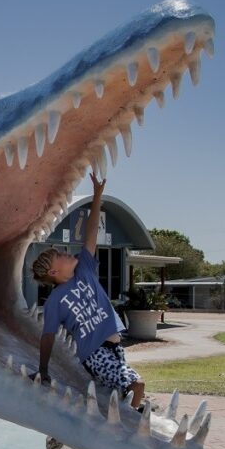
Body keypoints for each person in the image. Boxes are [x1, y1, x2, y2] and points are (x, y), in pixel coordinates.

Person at [30, 174, 145, 409]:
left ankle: (124, 419)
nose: (65, 252)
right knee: (137, 386)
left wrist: (98, 196)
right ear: (53, 272)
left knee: (121, 397)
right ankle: (129, 431)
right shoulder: (55, 300)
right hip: (95, 354)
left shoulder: (85, 270)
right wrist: (42, 370)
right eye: (60, 255)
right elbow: (48, 336)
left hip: (115, 347)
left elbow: (91, 234)